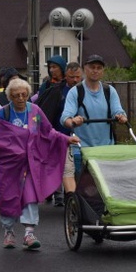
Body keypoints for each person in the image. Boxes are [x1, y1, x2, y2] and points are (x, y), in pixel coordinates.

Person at [0, 78, 79, 250]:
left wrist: (66, 139)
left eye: (24, 94)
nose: (21, 98)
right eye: (16, 95)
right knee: (8, 197)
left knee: (30, 195)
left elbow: (48, 131)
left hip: (30, 163)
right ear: (10, 97)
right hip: (8, 166)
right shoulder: (2, 114)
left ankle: (29, 233)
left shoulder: (35, 111)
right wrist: (12, 150)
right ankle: (8, 231)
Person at [61, 54, 128, 174]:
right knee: (82, 188)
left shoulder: (109, 91)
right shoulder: (76, 92)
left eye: (99, 68)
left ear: (103, 71)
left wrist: (121, 116)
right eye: (92, 67)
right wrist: (72, 121)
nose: (95, 71)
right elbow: (65, 117)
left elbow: (118, 110)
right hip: (83, 150)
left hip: (106, 150)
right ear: (85, 69)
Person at [36, 60, 82, 205]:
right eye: (71, 77)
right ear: (65, 76)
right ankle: (64, 196)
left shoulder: (85, 91)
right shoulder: (55, 91)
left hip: (83, 137)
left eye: (77, 77)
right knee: (63, 168)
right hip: (60, 135)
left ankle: (76, 198)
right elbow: (45, 110)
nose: (74, 80)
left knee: (78, 169)